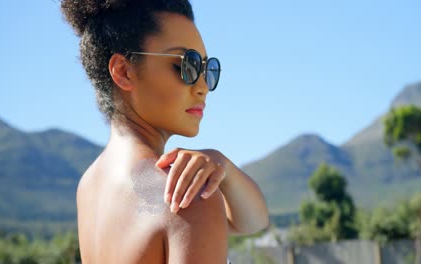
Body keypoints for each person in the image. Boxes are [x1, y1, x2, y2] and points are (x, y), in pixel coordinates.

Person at [60, 0, 269, 263]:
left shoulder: (88, 186)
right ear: (124, 71)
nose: (203, 86)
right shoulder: (185, 195)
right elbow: (252, 223)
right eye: (187, 65)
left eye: (207, 69)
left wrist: (222, 165)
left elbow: (254, 221)